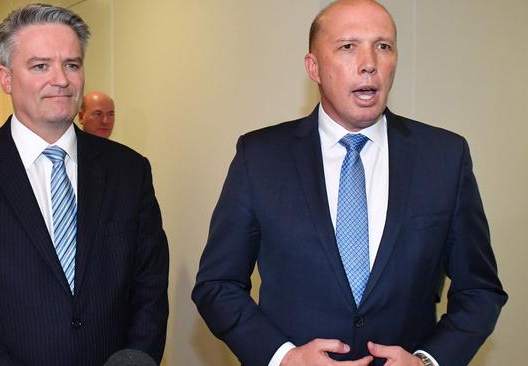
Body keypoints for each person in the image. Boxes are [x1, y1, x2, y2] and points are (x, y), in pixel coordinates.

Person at [191, 1, 507, 366]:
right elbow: (218, 285)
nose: (369, 62)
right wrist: (284, 358)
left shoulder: (445, 157)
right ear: (314, 67)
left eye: (383, 46)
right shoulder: (259, 157)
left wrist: (427, 361)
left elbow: (480, 290)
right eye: (348, 46)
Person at [0, 4, 169, 365]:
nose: (61, 79)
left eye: (72, 64)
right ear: (5, 78)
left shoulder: (129, 170)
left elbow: (150, 288)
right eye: (40, 66)